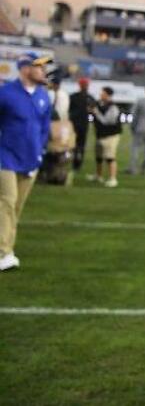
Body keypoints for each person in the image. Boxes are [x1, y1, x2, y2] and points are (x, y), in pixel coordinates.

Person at [0, 53, 53, 272]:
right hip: (5, 157)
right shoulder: (5, 94)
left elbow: (44, 127)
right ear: (25, 69)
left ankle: (7, 248)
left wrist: (40, 152)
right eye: (39, 67)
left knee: (16, 208)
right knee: (7, 202)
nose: (44, 71)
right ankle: (4, 252)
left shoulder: (43, 96)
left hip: (31, 159)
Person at [90, 87, 122, 188]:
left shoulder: (113, 107)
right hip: (101, 134)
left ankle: (113, 179)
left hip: (110, 135)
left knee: (110, 157)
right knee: (98, 156)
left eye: (102, 93)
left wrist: (96, 112)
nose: (100, 95)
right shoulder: (101, 104)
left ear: (108, 95)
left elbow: (106, 121)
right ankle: (98, 176)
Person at [67, 76, 94, 172]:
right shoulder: (73, 97)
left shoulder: (90, 98)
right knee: (72, 144)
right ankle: (72, 162)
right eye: (84, 84)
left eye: (86, 84)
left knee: (81, 145)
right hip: (74, 124)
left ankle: (78, 164)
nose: (86, 86)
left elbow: (93, 111)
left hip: (83, 125)